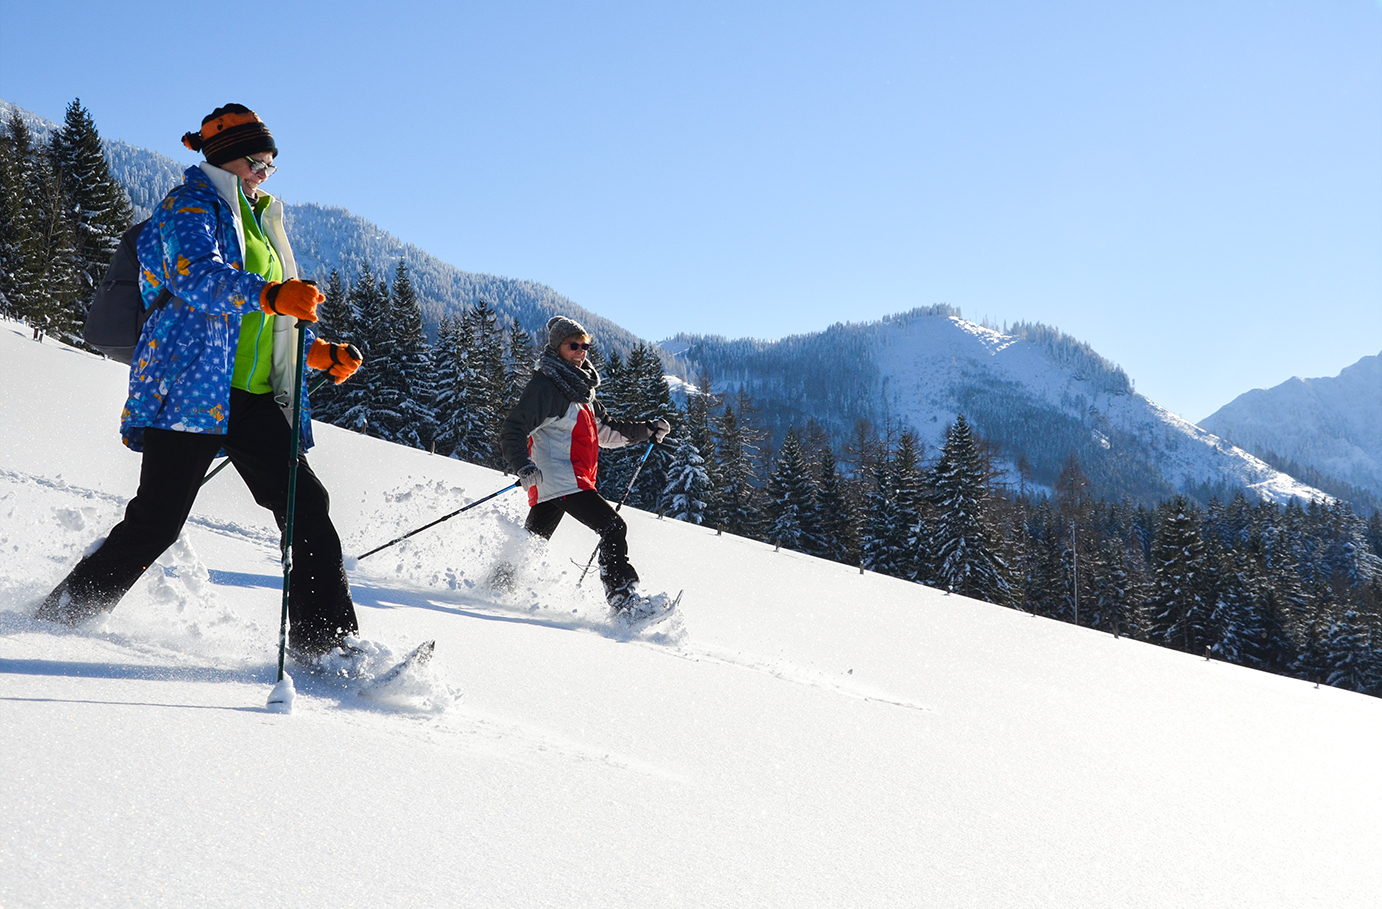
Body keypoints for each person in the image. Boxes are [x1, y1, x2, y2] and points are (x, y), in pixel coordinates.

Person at [37, 104, 365, 661]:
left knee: (308, 509)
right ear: (222, 158)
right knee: (156, 522)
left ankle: (327, 649)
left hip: (255, 398)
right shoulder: (188, 207)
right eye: (256, 161)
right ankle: (59, 617)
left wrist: (317, 352)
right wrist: (271, 294)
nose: (264, 172)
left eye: (271, 164)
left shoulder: (257, 219)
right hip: (190, 393)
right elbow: (197, 278)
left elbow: (259, 323)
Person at [499, 316, 670, 609]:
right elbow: (514, 428)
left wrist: (647, 429)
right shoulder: (547, 386)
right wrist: (522, 464)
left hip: (565, 480)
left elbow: (606, 431)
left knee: (531, 544)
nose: (581, 352)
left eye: (585, 346)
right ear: (557, 348)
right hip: (561, 477)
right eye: (573, 345)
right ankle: (623, 600)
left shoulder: (580, 389)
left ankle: (495, 588)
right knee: (613, 527)